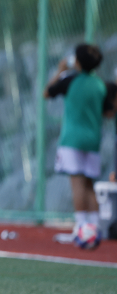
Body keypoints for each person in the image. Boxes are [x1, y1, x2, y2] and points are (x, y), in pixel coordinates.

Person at [45, 44, 112, 244]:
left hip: (72, 139)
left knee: (77, 184)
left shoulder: (70, 80)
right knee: (89, 184)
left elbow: (47, 93)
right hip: (93, 140)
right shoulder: (100, 85)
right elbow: (108, 112)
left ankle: (81, 228)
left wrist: (60, 70)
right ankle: (95, 228)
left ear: (78, 62)